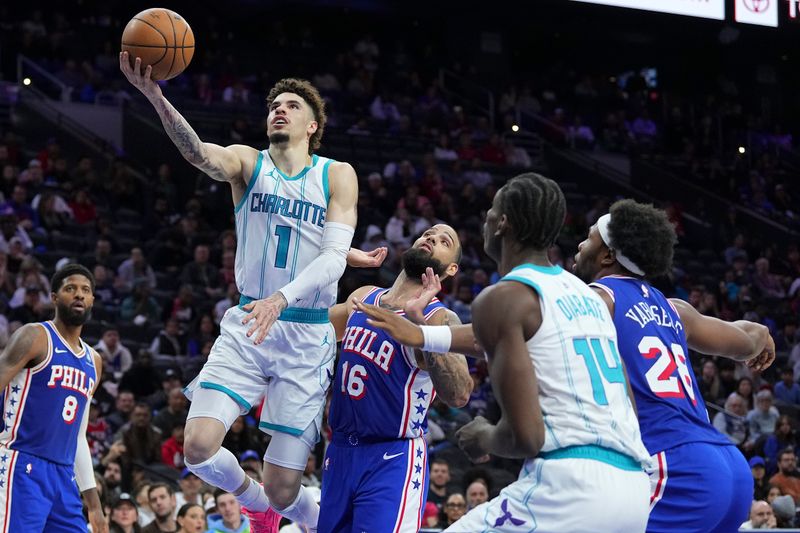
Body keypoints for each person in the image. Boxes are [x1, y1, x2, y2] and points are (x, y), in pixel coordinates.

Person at [121, 54, 386, 532]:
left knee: (287, 489)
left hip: (305, 334)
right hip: (248, 324)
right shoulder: (248, 162)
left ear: (312, 125)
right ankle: (253, 501)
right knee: (198, 449)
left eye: (290, 105)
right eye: (273, 106)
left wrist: (282, 298)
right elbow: (200, 152)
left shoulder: (337, 173)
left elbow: (331, 259)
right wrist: (156, 98)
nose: (278, 111)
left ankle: (310, 518)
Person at [358, 174, 652, 531]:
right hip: (635, 487)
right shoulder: (588, 296)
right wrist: (423, 334)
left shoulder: (502, 298)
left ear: (503, 223)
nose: (485, 218)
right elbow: (492, 340)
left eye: (491, 210)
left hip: (571, 482)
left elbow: (525, 437)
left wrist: (483, 434)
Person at [571, 200, 772, 532]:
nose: (580, 244)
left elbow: (506, 330)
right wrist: (763, 335)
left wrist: (450, 335)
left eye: (589, 237)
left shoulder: (595, 299)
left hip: (674, 466)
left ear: (607, 255)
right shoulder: (673, 308)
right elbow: (749, 338)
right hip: (729, 465)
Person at [318, 225, 472, 532]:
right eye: (429, 233)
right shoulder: (364, 297)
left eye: (444, 242)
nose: (432, 238)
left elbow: (459, 394)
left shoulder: (438, 318)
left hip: (391, 457)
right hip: (339, 450)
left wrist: (421, 331)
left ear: (451, 269)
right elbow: (309, 330)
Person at [0, 264, 107, 532]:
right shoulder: (35, 336)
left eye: (85, 290)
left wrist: (93, 504)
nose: (79, 295)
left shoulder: (94, 361)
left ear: (93, 299)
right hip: (21, 464)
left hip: (63, 476)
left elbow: (79, 436)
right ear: (55, 297)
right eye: (70, 289)